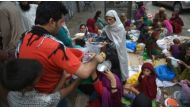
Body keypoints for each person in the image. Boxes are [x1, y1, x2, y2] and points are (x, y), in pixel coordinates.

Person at [16, 1, 105, 96]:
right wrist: (96, 60)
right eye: (61, 22)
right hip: (51, 95)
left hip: (33, 92)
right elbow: (84, 72)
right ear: (52, 22)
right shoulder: (54, 46)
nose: (61, 26)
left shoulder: (25, 36)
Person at [1, 59, 81, 107]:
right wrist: (80, 77)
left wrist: (63, 78)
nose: (42, 74)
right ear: (28, 86)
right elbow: (66, 91)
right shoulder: (39, 102)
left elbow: (52, 98)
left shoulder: (11, 93)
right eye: (39, 77)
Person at [103, 10, 128, 83]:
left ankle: (120, 82)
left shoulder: (120, 28)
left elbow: (118, 43)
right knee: (111, 68)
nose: (108, 21)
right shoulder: (107, 27)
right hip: (110, 53)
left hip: (118, 52)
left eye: (110, 19)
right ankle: (113, 81)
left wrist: (107, 43)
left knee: (119, 67)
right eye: (107, 19)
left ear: (115, 19)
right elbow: (103, 36)